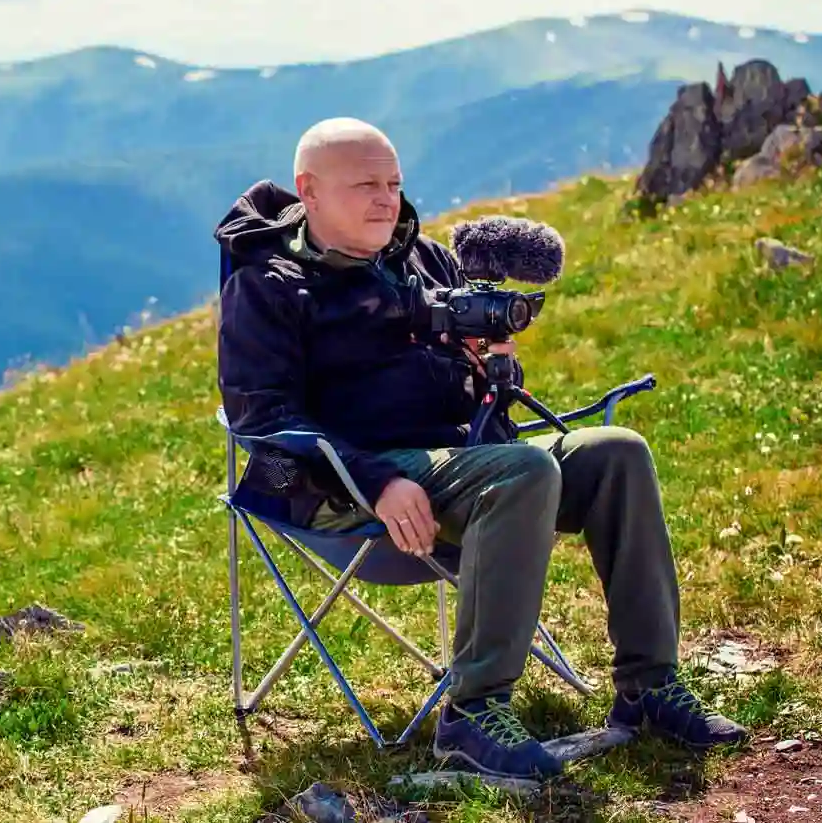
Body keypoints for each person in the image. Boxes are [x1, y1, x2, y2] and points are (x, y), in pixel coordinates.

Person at [214, 116, 747, 781]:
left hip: (457, 463)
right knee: (522, 470)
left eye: (394, 182)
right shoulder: (266, 284)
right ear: (310, 190)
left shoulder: (425, 259)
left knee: (619, 450)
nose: (388, 199)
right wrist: (376, 479)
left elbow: (475, 400)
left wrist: (493, 369)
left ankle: (648, 686)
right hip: (344, 488)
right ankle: (473, 714)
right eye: (366, 185)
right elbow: (262, 415)